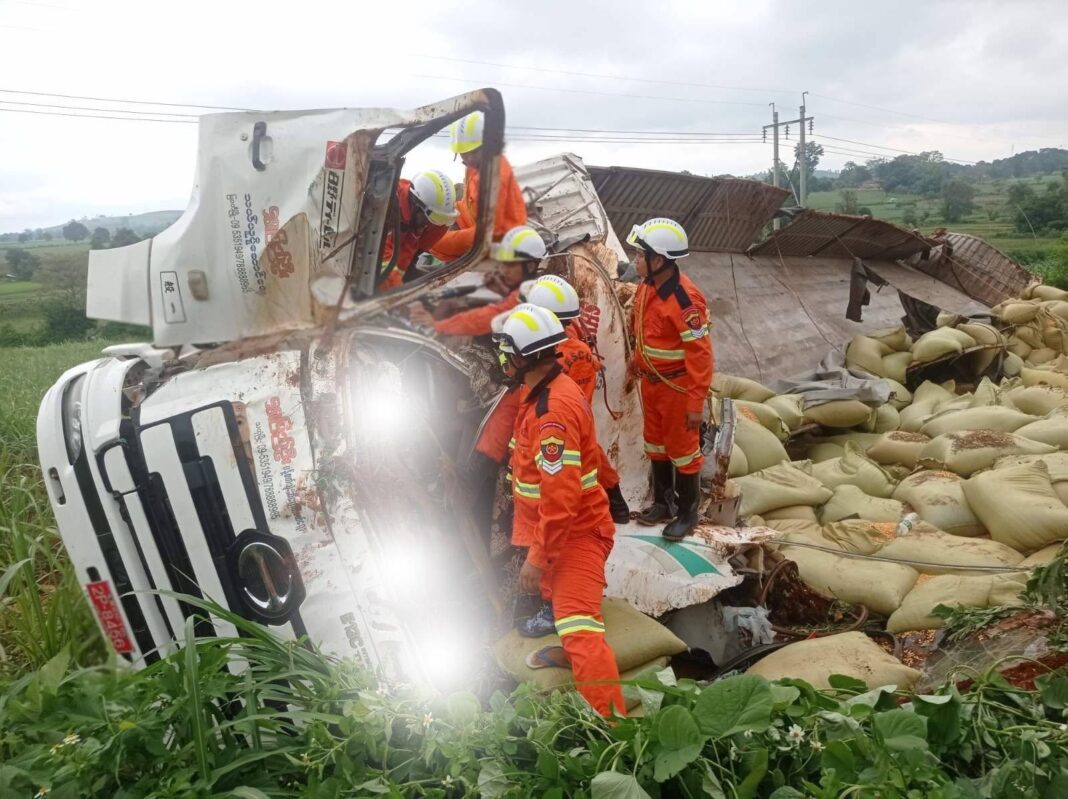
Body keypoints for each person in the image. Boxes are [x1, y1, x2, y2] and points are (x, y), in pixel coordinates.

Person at [495, 303, 625, 718]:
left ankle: (615, 732)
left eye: (507, 351)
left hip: (574, 537)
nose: (503, 358)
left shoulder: (552, 414)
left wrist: (537, 558)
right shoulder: (544, 394)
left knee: (581, 629)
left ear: (525, 357)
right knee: (563, 612)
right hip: (560, 535)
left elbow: (561, 499)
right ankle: (571, 652)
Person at [628, 218, 714, 541]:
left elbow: (701, 355)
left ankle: (687, 512)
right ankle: (663, 504)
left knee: (683, 449)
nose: (635, 260)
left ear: (658, 260)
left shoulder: (685, 301)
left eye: (640, 255)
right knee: (656, 443)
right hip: (651, 384)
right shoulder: (646, 287)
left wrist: (695, 404)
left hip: (677, 389)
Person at [410, 225, 543, 337]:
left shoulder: (528, 296)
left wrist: (439, 326)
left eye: (511, 265)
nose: (504, 270)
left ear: (530, 266)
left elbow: (483, 319)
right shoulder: (532, 287)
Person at [429, 111, 527, 262]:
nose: (468, 158)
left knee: (433, 242)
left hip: (500, 238)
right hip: (477, 224)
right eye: (463, 153)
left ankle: (457, 268)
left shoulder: (495, 176)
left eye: (473, 152)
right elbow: (467, 203)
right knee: (433, 220)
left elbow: (492, 231)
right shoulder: (474, 166)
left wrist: (448, 239)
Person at [378, 169, 458, 290]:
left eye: (437, 219)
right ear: (415, 204)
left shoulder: (432, 218)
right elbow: (381, 262)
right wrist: (402, 301)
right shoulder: (387, 207)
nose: (429, 224)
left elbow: (415, 252)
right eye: (430, 218)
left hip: (400, 271)